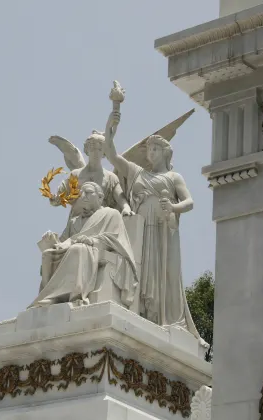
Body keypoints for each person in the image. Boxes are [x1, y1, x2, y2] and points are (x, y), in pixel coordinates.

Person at [102, 110, 201, 339]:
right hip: (141, 229)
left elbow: (190, 202)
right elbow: (112, 154)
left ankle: (161, 318)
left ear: (165, 152)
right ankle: (143, 312)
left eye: (155, 149)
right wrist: (115, 113)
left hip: (163, 230)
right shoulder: (137, 172)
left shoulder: (174, 177)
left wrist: (174, 208)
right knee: (142, 272)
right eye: (149, 149)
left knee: (162, 273)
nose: (151, 153)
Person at [30, 182, 138, 308]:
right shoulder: (74, 221)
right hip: (73, 250)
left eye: (89, 192)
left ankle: (73, 295)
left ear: (100, 197)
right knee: (48, 255)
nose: (84, 195)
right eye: (82, 193)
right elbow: (62, 243)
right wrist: (52, 240)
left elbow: (115, 239)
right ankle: (47, 296)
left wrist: (92, 241)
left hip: (93, 249)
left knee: (77, 249)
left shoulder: (111, 214)